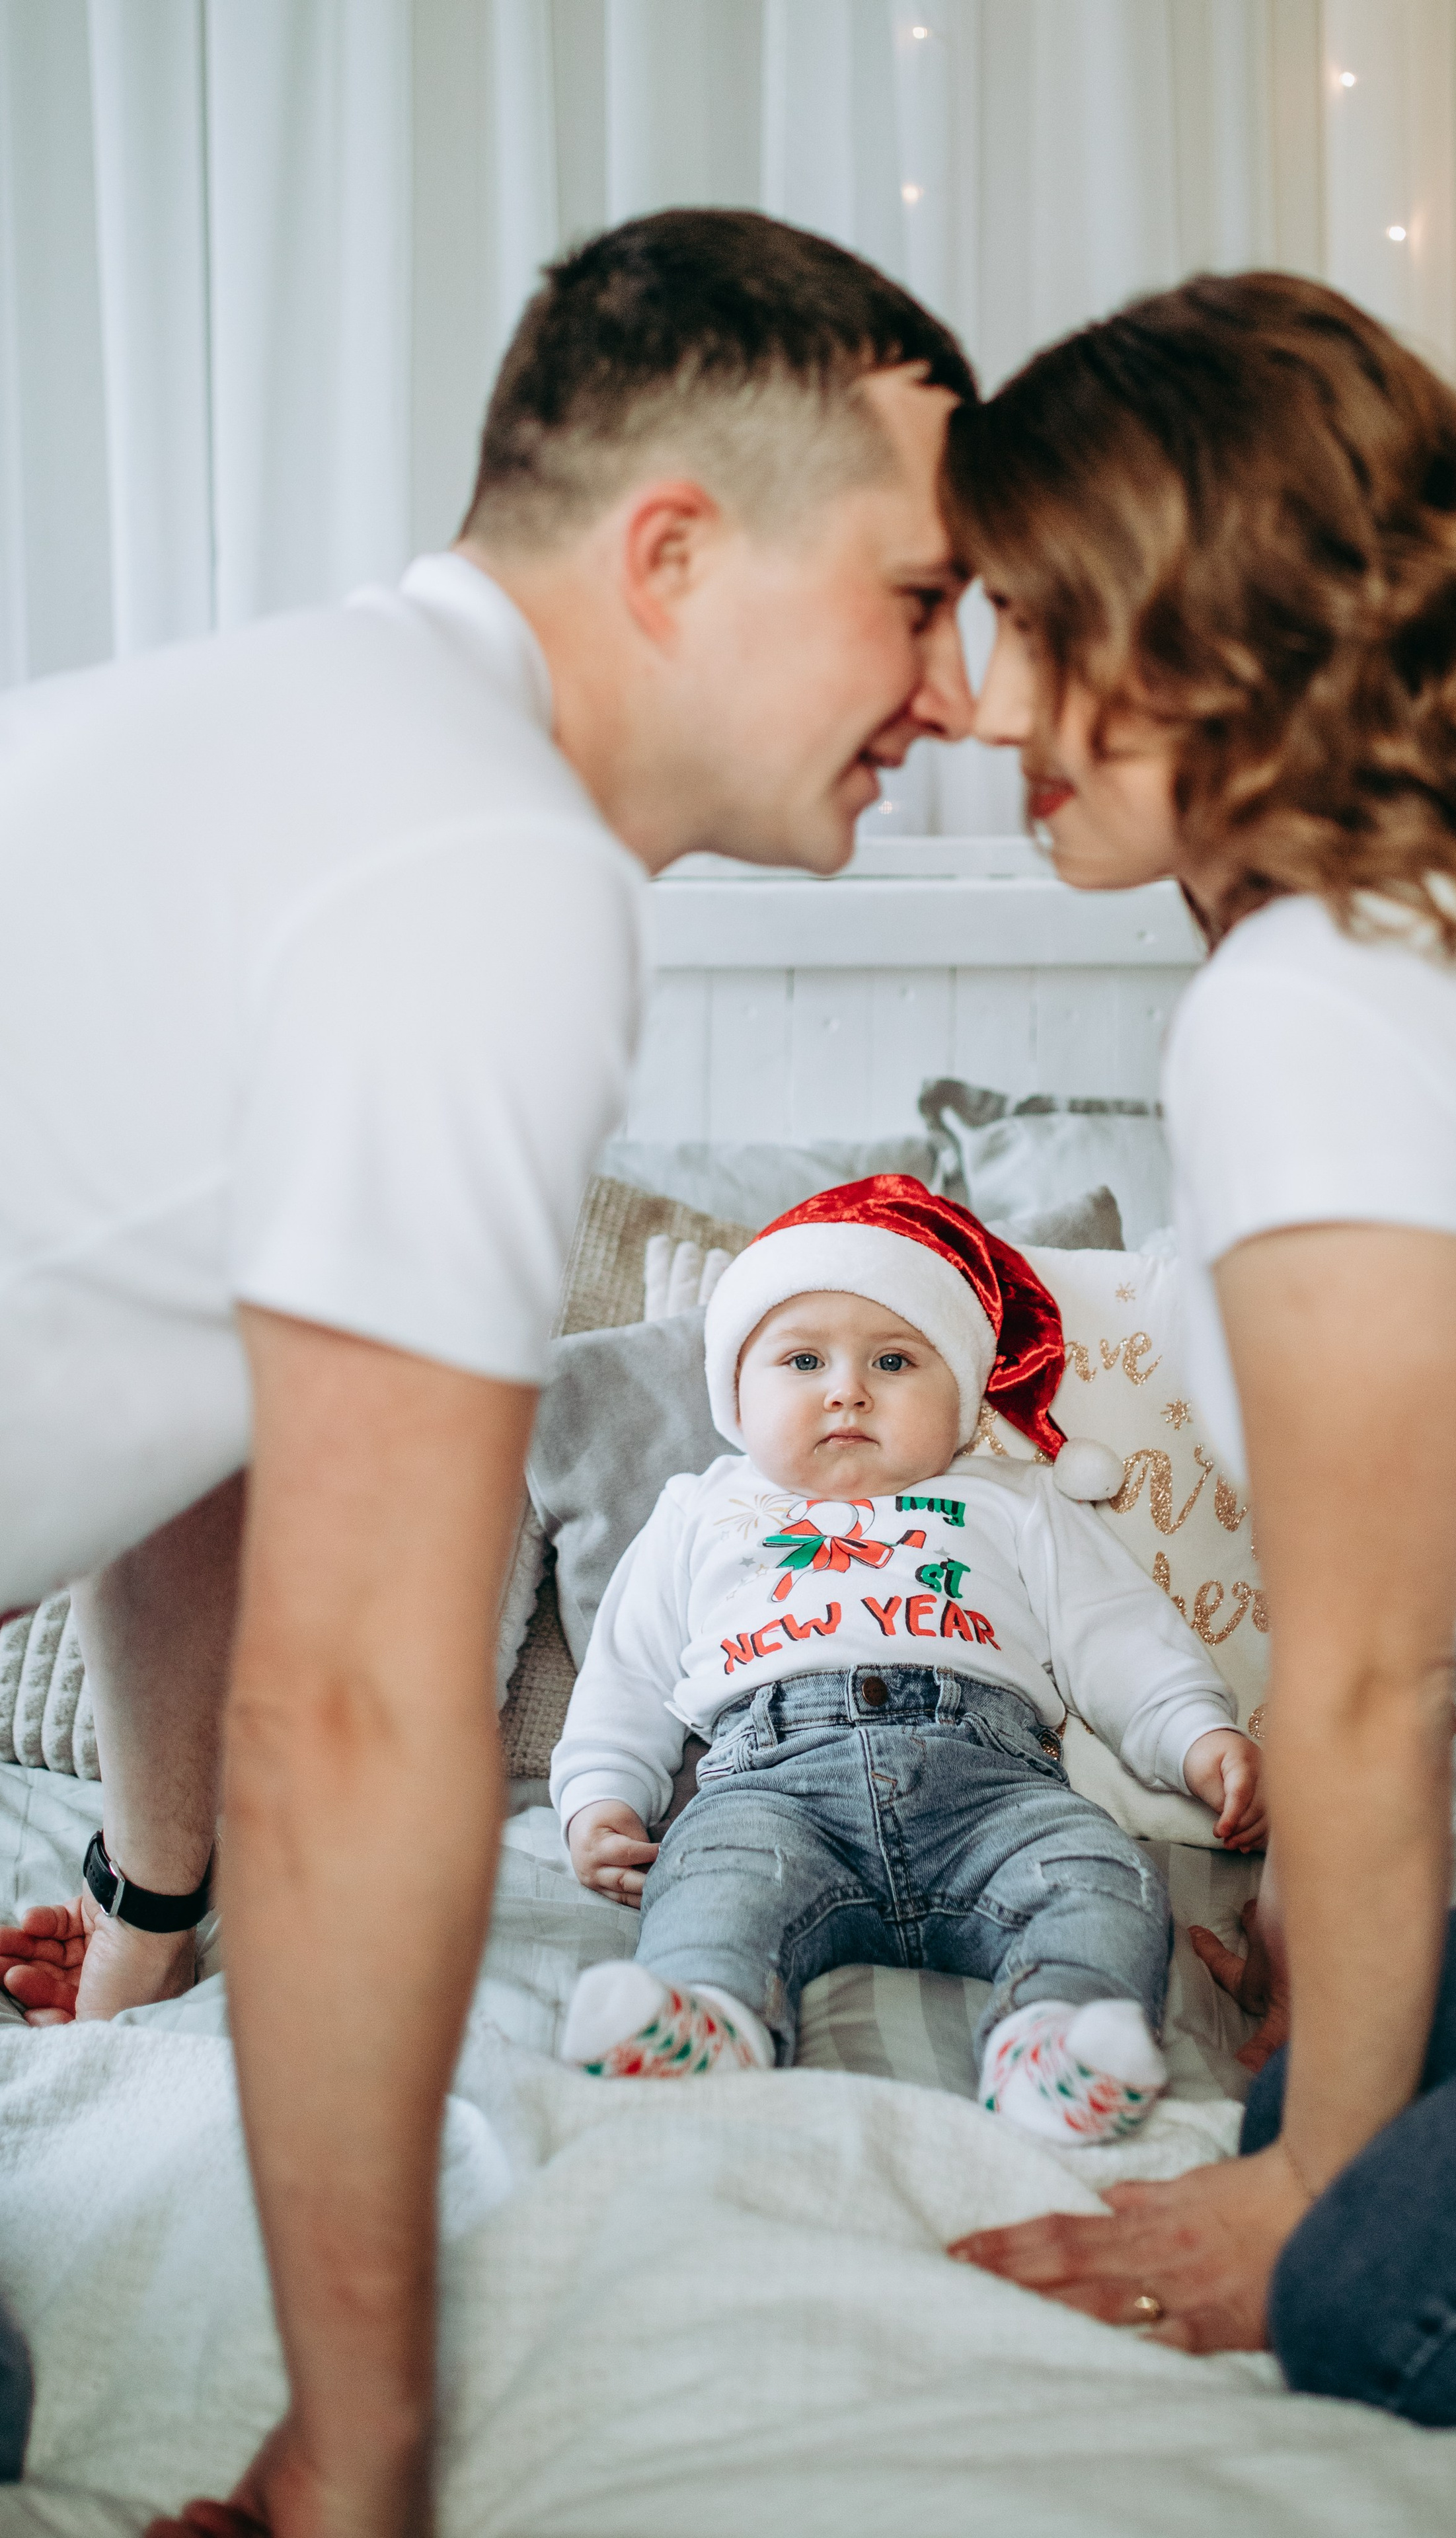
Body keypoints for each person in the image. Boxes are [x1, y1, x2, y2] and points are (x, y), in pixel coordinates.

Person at [0, 212, 977, 2535]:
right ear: (672, 553)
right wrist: (363, 2450)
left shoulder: (312, 740)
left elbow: (210, 1405)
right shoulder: (483, 861)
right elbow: (356, 1710)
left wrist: (152, 1924)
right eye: (918, 597)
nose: (950, 695)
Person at [940, 272, 1456, 2466]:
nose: (989, 710)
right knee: (1311, 2091)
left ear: (1207, 629)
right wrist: (1306, 2108)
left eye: (1031, 624)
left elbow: (1360, 1682)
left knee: (1376, 2292)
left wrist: (1295, 2207)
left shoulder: (1312, 1000)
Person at [553, 1176, 1263, 2136]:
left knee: (1100, 1875)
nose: (847, 1389)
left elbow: (1117, 1632)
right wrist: (600, 1796)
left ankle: (1053, 2040)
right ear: (734, 1392)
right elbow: (627, 1671)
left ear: (963, 1401)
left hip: (994, 1790)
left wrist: (1194, 1733)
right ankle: (707, 2019)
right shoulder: (701, 1507)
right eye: (802, 1360)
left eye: (893, 1360)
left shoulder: (1012, 1499)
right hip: (770, 1788)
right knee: (710, 1881)